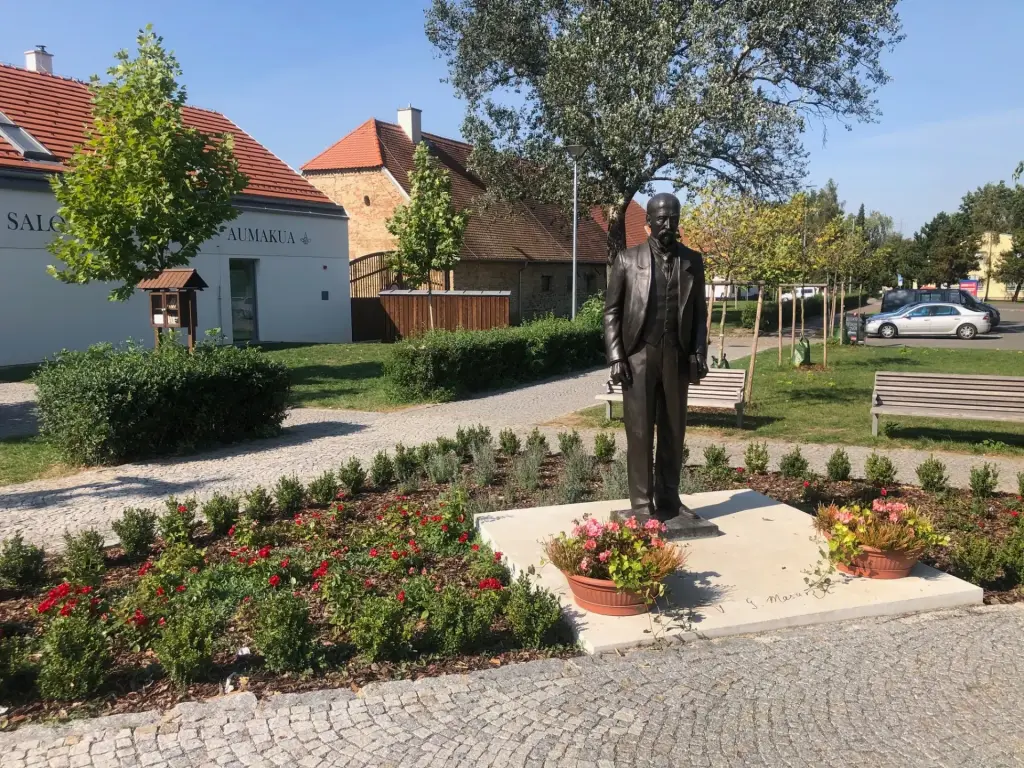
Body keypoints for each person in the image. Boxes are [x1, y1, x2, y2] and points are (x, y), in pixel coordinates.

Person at [603, 192, 709, 521]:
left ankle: (669, 498)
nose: (668, 224)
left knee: (674, 432)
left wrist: (699, 352)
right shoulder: (627, 260)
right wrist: (616, 356)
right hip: (638, 357)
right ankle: (640, 504)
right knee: (639, 433)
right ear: (648, 221)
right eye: (661, 218)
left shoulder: (692, 261)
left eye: (673, 218)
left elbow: (700, 313)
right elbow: (612, 312)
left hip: (677, 357)